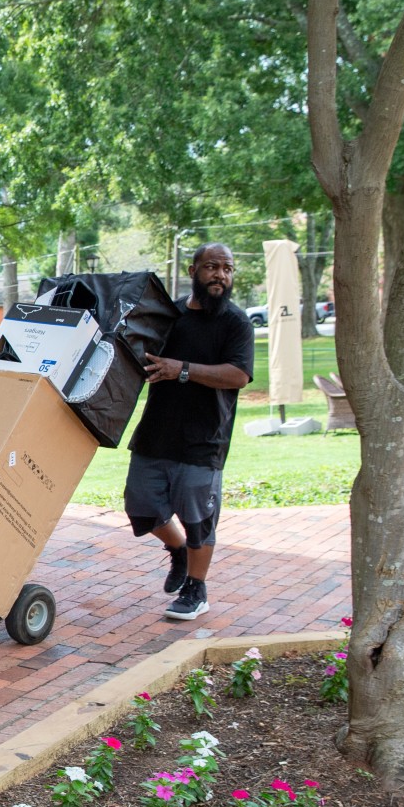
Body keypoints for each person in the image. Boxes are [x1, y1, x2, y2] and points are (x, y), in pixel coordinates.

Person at [126, 243, 254, 621]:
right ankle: (179, 550)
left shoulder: (236, 322)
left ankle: (196, 590)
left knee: (199, 519)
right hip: (155, 433)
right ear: (194, 269)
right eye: (212, 267)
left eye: (228, 269)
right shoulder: (171, 315)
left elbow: (238, 375)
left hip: (204, 440)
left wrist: (181, 368)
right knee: (142, 508)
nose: (221, 275)